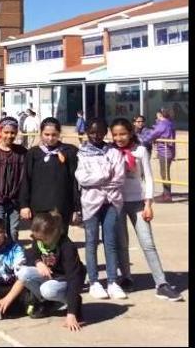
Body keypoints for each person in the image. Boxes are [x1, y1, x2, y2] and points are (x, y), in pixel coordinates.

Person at [110, 118, 182, 301]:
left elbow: (148, 178)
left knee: (148, 243)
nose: (119, 138)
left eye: (123, 134)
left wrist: (148, 204)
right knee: (121, 243)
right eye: (115, 134)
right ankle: (126, 277)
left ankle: (161, 283)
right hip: (116, 203)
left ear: (131, 133)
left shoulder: (140, 150)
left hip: (138, 203)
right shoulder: (109, 151)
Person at [76, 118, 126, 301]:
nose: (96, 135)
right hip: (90, 204)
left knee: (110, 242)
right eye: (92, 131)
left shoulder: (113, 152)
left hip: (111, 203)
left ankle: (113, 281)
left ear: (106, 132)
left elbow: (119, 178)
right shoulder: (81, 153)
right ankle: (94, 282)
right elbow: (82, 178)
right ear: (86, 131)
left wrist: (97, 180)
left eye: (100, 131)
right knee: (91, 242)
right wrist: (105, 174)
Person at [16, 211, 85, 330]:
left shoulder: (67, 247)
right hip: (50, 275)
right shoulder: (39, 240)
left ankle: (73, 303)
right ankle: (46, 303)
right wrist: (38, 263)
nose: (38, 241)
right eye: (36, 238)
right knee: (22, 273)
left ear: (53, 234)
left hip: (65, 279)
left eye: (42, 239)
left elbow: (74, 279)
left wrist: (71, 313)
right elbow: (30, 253)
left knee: (47, 290)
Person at [20, 117, 80, 232]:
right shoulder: (33, 153)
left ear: (59, 134)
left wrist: (76, 208)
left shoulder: (70, 152)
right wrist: (24, 205)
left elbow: (74, 182)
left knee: (60, 239)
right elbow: (26, 180)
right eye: (46, 134)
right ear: (41, 133)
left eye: (54, 134)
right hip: (38, 207)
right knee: (40, 239)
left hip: (61, 207)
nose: (50, 138)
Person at [139, 108, 177, 202]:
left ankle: (167, 195)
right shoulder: (169, 123)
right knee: (165, 173)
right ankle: (165, 193)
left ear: (160, 115)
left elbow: (153, 134)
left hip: (165, 151)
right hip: (169, 151)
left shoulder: (162, 125)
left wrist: (141, 140)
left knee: (165, 174)